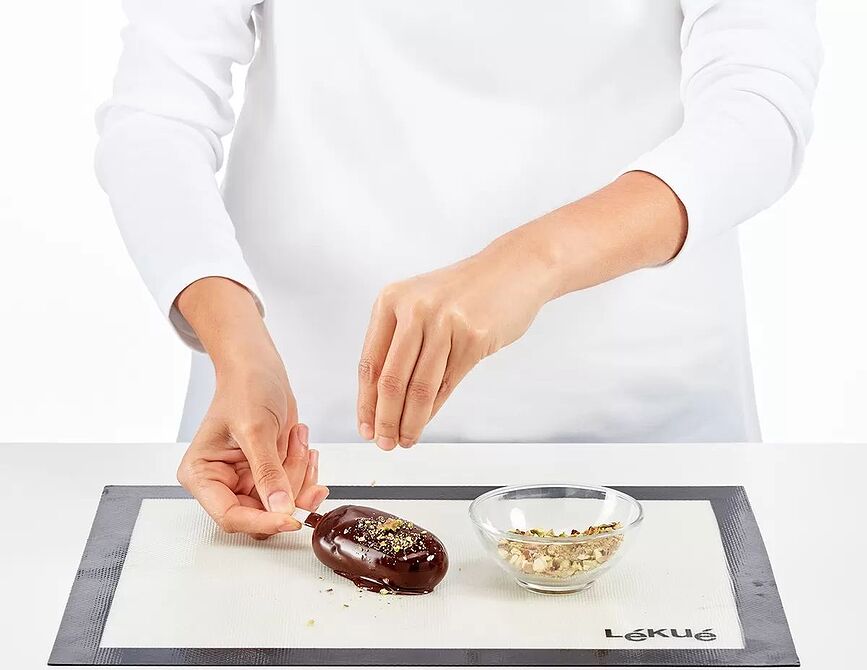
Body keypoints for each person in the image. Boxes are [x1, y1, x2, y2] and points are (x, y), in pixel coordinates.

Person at [96, 0, 821, 537]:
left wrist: (533, 260)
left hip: (649, 437)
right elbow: (157, 118)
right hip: (301, 444)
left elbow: (758, 107)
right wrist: (235, 345)